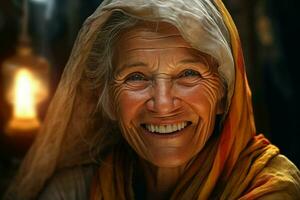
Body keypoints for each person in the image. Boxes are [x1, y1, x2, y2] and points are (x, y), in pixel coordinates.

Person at [5, 0, 300, 199]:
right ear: (108, 100)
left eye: (188, 74)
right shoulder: (76, 190)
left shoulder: (269, 189)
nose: (161, 104)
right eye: (135, 77)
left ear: (225, 95)